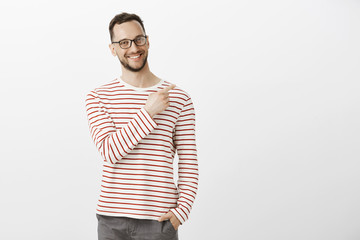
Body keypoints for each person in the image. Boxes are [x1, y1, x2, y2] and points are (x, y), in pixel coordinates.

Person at [85, 12, 199, 240]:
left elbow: (189, 163)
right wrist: (148, 112)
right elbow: (110, 151)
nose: (133, 48)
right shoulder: (98, 97)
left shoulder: (178, 98)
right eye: (124, 42)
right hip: (111, 220)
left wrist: (181, 212)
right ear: (113, 49)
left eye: (139, 39)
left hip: (159, 221)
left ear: (147, 41)